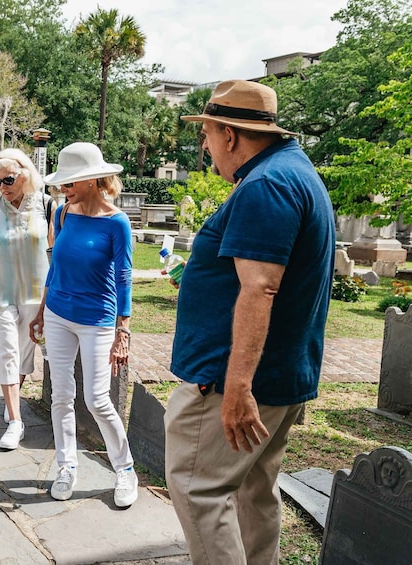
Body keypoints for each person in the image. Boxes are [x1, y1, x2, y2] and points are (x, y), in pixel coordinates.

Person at [165, 80, 336, 565]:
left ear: (230, 135)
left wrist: (237, 387)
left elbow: (260, 287)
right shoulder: (294, 173)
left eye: (207, 135)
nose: (205, 146)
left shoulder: (266, 185)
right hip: (281, 375)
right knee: (253, 492)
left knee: (198, 488)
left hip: (233, 383)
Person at [31, 142, 138, 508]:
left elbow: (124, 277)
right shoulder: (62, 214)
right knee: (62, 395)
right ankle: (67, 466)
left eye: (71, 181)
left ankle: (124, 469)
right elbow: (55, 266)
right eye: (63, 181)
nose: (64, 187)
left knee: (97, 399)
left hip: (98, 320)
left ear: (93, 180)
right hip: (59, 313)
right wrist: (42, 309)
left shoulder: (117, 223)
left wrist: (123, 330)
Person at [0, 149, 52, 450]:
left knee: (25, 355)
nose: (2, 186)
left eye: (8, 179)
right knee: (7, 353)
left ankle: (13, 398)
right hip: (2, 290)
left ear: (25, 174)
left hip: (36, 294)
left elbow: (52, 249)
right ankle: (15, 421)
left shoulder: (47, 205)